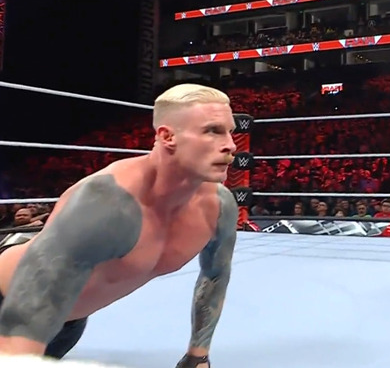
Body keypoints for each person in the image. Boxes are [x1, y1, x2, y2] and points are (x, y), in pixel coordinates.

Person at [0, 83, 240, 368]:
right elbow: (31, 306)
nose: (231, 145)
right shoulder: (106, 202)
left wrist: (197, 356)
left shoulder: (218, 207)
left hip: (65, 326)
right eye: (212, 131)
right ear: (167, 136)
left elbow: (215, 276)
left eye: (230, 131)